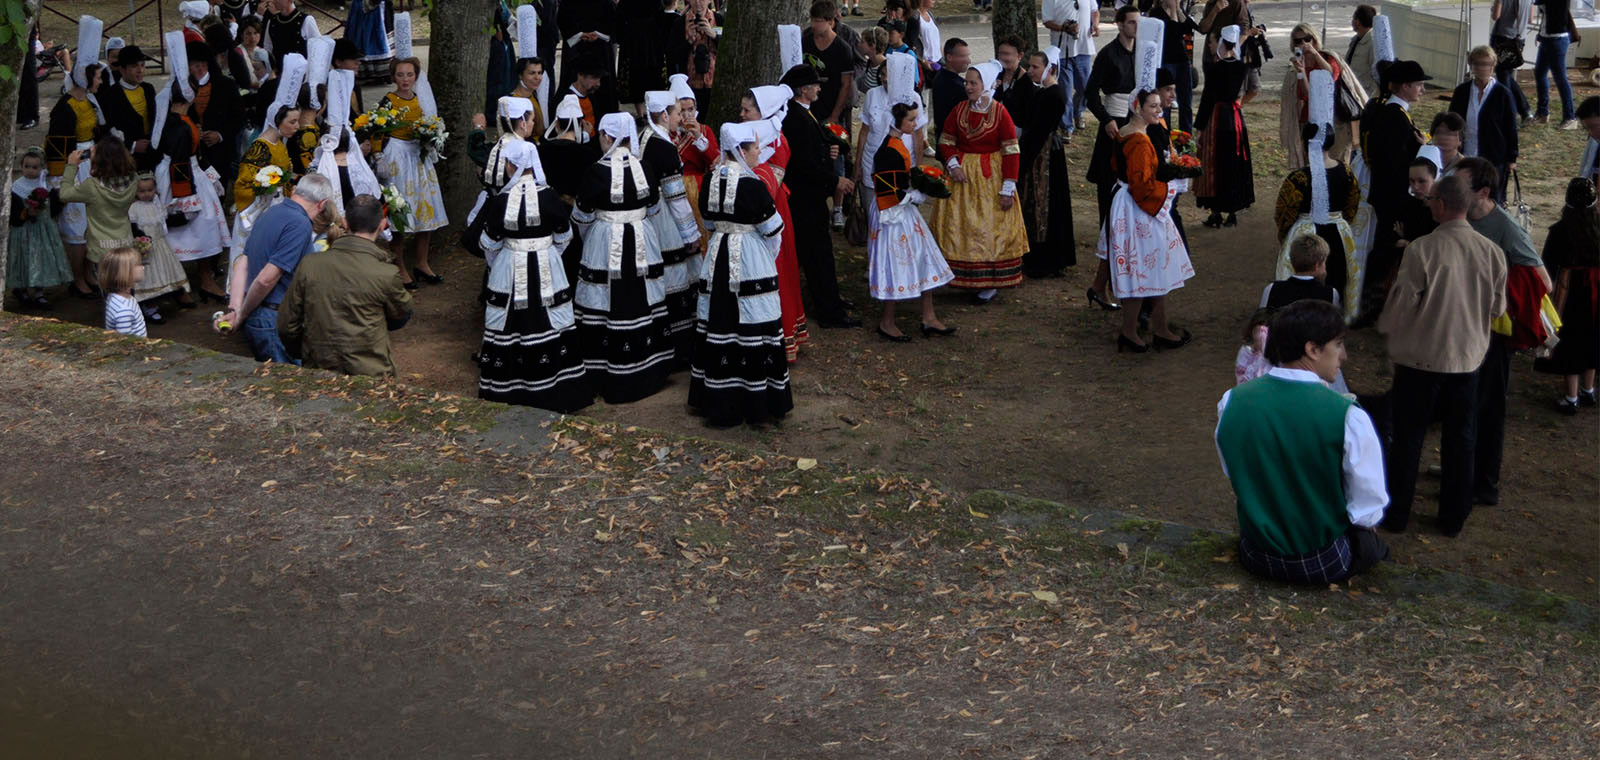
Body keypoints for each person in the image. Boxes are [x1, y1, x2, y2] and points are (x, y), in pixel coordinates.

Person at [1215, 299, 1390, 585]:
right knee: (1376, 547)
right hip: (1322, 559)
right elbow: (1367, 509)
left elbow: (1234, 470)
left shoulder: (1232, 401)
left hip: (1256, 553)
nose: (1343, 356)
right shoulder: (1348, 416)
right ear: (1312, 349)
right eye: (1338, 345)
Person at [1378, 175, 1507, 537]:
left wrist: (1389, 335)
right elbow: (1498, 308)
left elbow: (1402, 306)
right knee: (1461, 439)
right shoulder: (1491, 252)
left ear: (1444, 204)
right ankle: (1452, 518)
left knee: (1407, 438)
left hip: (1419, 360)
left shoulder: (1421, 250)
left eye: (1431, 198)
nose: (1428, 202)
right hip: (1466, 360)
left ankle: (1397, 514)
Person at [1455, 157, 1551, 508]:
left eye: (1461, 186)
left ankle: (1485, 483)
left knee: (1489, 408)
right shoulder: (1459, 217)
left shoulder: (1507, 229)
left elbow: (1544, 281)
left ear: (1483, 192)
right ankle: (1464, 468)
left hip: (1493, 336)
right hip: (1462, 329)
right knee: (1464, 404)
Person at [471, 141, 591, 412]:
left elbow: (488, 243)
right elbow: (565, 235)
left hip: (510, 266)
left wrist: (502, 264)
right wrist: (547, 254)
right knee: (550, 320)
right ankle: (556, 387)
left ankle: (510, 389)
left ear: (511, 166)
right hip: (547, 263)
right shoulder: (550, 196)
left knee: (512, 324)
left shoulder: (501, 200)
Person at [689, 122, 794, 427]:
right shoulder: (753, 186)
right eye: (756, 147)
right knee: (753, 322)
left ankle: (719, 399)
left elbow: (708, 223)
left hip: (718, 256)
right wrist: (763, 257)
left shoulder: (709, 180)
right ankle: (758, 401)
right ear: (742, 150)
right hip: (749, 257)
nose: (759, 152)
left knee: (721, 320)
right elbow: (773, 229)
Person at [571, 113, 674, 404]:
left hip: (605, 241)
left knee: (606, 301)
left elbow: (581, 215)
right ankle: (648, 370)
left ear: (606, 137)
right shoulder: (645, 167)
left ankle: (604, 372)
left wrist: (595, 234)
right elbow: (654, 209)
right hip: (642, 237)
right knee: (642, 296)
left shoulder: (595, 171)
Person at [1098, 90, 1195, 353]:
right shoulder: (1140, 141)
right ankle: (1141, 331)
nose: (1159, 110)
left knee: (1143, 269)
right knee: (1147, 268)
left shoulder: (1125, 130)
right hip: (1138, 209)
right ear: (1137, 108)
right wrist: (1171, 186)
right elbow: (1141, 187)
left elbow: (1120, 167)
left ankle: (1147, 328)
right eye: (1152, 106)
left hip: (1124, 203)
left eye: (1158, 105)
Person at [278, 194, 413, 376]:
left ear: (345, 223)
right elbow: (402, 313)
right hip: (371, 372)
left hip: (319, 367)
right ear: (381, 225)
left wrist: (303, 352)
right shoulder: (386, 274)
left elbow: (287, 324)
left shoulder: (309, 264)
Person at [933, 60, 1028, 303]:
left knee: (988, 228)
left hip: (990, 178)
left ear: (985, 84)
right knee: (962, 225)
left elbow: (1011, 151)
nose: (968, 86)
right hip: (962, 178)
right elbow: (945, 139)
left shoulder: (999, 112)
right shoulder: (960, 110)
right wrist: (953, 164)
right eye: (967, 82)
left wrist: (1008, 187)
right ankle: (962, 276)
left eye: (973, 83)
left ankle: (989, 282)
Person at [222, 172, 333, 364]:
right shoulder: (300, 224)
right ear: (322, 204)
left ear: (295, 191)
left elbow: (242, 263)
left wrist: (236, 306)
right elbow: (267, 278)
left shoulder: (270, 213)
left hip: (259, 316)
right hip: (273, 317)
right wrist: (242, 314)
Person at [781, 64, 860, 327]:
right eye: (815, 85)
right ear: (803, 90)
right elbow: (803, 164)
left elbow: (811, 154)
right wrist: (834, 179)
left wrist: (828, 152)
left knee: (816, 254)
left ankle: (829, 299)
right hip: (805, 199)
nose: (819, 88)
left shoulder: (803, 114)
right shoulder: (796, 119)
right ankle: (829, 310)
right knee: (818, 255)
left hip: (809, 197)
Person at [868, 102, 955, 341]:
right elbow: (889, 191)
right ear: (897, 122)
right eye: (911, 120)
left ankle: (928, 317)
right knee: (895, 262)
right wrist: (915, 196)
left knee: (923, 255)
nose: (915, 124)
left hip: (902, 212)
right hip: (892, 215)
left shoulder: (897, 145)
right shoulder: (888, 151)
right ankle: (887, 322)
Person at [743, 86, 810, 360]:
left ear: (764, 112)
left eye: (747, 110)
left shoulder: (778, 142)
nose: (742, 114)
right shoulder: (749, 136)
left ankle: (781, 337)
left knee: (776, 271)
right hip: (749, 211)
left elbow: (769, 185)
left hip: (770, 214)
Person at [639, 91, 705, 366]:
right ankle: (679, 348)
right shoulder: (663, 147)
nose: (681, 118)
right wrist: (691, 235)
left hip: (647, 217)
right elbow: (677, 200)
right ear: (664, 115)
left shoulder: (644, 137)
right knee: (676, 279)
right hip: (664, 220)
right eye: (678, 113)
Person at [1360, 60, 1429, 320]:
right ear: (1403, 86)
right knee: (1387, 250)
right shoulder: (1394, 118)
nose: (1422, 89)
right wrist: (1421, 150)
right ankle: (1372, 308)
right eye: (1419, 85)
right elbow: (1395, 164)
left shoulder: (1394, 113)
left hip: (1391, 194)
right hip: (1394, 196)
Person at [45, 21, 108, 299]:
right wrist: (61, 181)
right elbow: (56, 146)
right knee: (76, 227)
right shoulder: (66, 107)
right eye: (97, 77)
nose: (101, 81)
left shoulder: (89, 102)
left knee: (91, 225)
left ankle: (89, 273)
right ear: (86, 78)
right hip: (74, 168)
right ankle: (77, 278)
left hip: (91, 167)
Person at [376, 55, 449, 287]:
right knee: (400, 211)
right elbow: (377, 129)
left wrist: (430, 139)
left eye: (409, 74)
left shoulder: (421, 100)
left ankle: (422, 262)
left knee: (425, 210)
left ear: (416, 76)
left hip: (418, 156)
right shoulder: (389, 100)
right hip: (397, 156)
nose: (405, 79)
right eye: (400, 75)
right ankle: (400, 267)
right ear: (393, 76)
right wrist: (378, 155)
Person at [1273, 124, 1361, 315]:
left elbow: (1284, 212)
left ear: (1305, 145)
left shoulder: (1297, 178)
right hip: (1339, 232)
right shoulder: (1346, 173)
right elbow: (1352, 205)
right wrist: (1342, 221)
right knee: (1338, 273)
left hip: (1305, 232)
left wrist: (1284, 234)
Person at [1536, 177, 1600, 414]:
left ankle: (1571, 396)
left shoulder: (1560, 231)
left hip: (1571, 295)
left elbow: (1548, 266)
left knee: (1571, 342)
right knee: (1594, 338)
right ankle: (1588, 389)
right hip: (1596, 292)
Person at [1019, 47, 1074, 278]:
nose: (1030, 70)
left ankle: (1046, 259)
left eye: (1035, 67)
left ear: (1048, 69)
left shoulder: (1052, 94)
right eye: (1030, 66)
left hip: (1045, 155)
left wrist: (1024, 156)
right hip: (1043, 150)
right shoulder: (1044, 92)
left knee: (1045, 204)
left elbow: (1039, 130)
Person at [1085, 5, 1140, 237]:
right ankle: (1107, 230)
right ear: (1119, 24)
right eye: (1131, 22)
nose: (1136, 27)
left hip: (1137, 119)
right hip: (1114, 119)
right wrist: (1106, 119)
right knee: (1109, 177)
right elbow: (1090, 93)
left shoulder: (1144, 51)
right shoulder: (1108, 54)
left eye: (1139, 23)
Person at [1280, 23, 1364, 168]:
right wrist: (1301, 71)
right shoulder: (1296, 68)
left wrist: (1315, 53)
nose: (1303, 43)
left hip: (1337, 120)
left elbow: (1330, 76)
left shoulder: (1329, 57)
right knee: (1314, 166)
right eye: (1298, 41)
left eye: (1307, 39)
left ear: (1314, 39)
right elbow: (1307, 95)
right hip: (1311, 121)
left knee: (1337, 165)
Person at [1195, 25, 1255, 228]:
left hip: (1217, 117)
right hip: (1235, 117)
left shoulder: (1215, 68)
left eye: (1213, 42)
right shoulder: (1241, 67)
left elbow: (1207, 99)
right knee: (1233, 160)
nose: (1211, 46)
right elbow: (1255, 63)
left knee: (1214, 162)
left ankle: (1216, 212)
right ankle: (1232, 211)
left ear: (1221, 43)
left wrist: (1199, 126)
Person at [59, 137, 140, 281]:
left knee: (109, 290)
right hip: (125, 242)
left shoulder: (92, 186)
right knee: (126, 284)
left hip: (101, 249)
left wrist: (71, 166)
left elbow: (64, 194)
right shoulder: (134, 179)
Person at [1449, 47, 1520, 202]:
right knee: (1464, 196)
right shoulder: (1462, 91)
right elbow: (1452, 121)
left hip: (1494, 156)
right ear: (1471, 65)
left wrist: (1512, 158)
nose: (1482, 68)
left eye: (1486, 64)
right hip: (1466, 153)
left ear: (1493, 66)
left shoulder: (1503, 94)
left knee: (1492, 199)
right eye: (1477, 64)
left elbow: (1511, 127)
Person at [8, 148, 72, 309]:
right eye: (27, 166)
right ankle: (20, 289)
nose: (30, 170)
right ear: (21, 167)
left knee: (41, 260)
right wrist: (26, 213)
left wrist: (60, 201)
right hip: (23, 231)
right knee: (24, 259)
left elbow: (53, 209)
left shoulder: (46, 186)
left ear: (41, 168)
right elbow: (13, 213)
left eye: (35, 167)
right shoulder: (16, 187)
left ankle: (39, 292)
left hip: (43, 230)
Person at [128, 175, 192, 323]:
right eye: (142, 191)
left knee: (165, 272)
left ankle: (172, 296)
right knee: (148, 277)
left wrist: (182, 218)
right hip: (144, 248)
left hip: (161, 245)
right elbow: (132, 227)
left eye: (150, 190)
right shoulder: (133, 208)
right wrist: (139, 238)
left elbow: (165, 222)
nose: (147, 194)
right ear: (135, 192)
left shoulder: (157, 205)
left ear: (155, 189)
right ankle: (148, 306)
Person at [670, 74, 719, 235]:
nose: (686, 115)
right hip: (674, 189)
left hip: (699, 189)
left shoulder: (705, 131)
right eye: (681, 111)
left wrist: (699, 137)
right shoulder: (667, 134)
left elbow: (715, 162)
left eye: (690, 109)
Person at [98, 45, 159, 172]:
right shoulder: (111, 95)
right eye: (134, 66)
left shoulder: (148, 89)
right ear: (122, 69)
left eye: (142, 65)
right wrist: (132, 145)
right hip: (126, 159)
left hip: (152, 154)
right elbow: (107, 130)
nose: (140, 70)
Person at [1044, 0, 1098, 136]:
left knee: (1086, 88)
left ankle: (1078, 112)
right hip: (1062, 52)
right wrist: (1064, 28)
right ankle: (1066, 127)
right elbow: (1047, 21)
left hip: (1084, 50)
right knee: (1066, 92)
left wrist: (1095, 25)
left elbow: (1095, 11)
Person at [1145, 0, 1199, 133]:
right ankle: (1165, 133)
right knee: (1166, 101)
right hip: (1166, 60)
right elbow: (1173, 32)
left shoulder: (1179, 12)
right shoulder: (1157, 14)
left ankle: (1186, 135)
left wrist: (1179, 11)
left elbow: (1189, 29)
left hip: (1182, 60)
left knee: (1186, 101)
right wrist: (1173, 12)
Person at [557, 0, 617, 106]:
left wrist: (598, 34)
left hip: (599, 47)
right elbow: (563, 19)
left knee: (602, 86)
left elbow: (613, 20)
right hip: (577, 48)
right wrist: (580, 34)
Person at [1533, 0, 1581, 129]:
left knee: (1560, 78)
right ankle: (1543, 113)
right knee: (1540, 73)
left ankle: (1570, 118)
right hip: (1546, 37)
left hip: (1557, 39)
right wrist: (1540, 33)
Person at [1263, 234, 1340, 310]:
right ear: (1317, 265)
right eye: (1324, 262)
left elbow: (1260, 319)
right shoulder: (1330, 294)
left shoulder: (1272, 289)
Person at [1490, 0, 1533, 122]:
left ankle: (1510, 112)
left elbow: (1495, 16)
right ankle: (1525, 110)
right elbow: (1530, 19)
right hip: (1519, 39)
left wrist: (1494, 7)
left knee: (1503, 76)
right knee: (1506, 75)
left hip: (1502, 38)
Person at [99, 247, 149, 338]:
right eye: (138, 265)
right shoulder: (124, 310)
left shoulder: (116, 297)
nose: (143, 267)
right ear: (124, 272)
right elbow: (124, 343)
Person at [930, 38, 970, 144]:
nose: (968, 61)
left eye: (967, 56)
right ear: (949, 57)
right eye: (963, 56)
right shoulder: (956, 86)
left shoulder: (941, 75)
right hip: (953, 145)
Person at [682, 0, 721, 107]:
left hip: (714, 81)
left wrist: (714, 35)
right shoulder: (680, 22)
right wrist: (689, 41)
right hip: (690, 83)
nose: (698, 2)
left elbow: (728, 49)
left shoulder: (719, 19)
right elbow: (673, 54)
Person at [345, 0, 393, 83]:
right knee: (362, 35)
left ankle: (378, 73)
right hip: (362, 6)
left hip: (376, 8)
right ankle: (366, 71)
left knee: (376, 36)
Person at [262, 0, 312, 70]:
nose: (274, 1)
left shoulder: (306, 20)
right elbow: (267, 48)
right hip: (279, 73)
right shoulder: (272, 21)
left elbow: (317, 49)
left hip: (301, 73)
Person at [1346, 5, 1379, 98]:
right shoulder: (1356, 40)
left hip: (1365, 94)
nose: (1352, 22)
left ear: (1357, 22)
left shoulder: (1372, 42)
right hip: (1351, 89)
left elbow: (1376, 73)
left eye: (1353, 19)